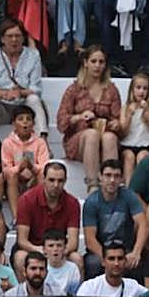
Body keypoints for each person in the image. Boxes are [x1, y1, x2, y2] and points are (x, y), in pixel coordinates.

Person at [55, 47, 121, 193]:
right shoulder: (74, 89)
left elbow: (118, 119)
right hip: (78, 140)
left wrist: (116, 124)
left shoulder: (111, 89)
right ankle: (93, 185)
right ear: (85, 63)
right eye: (94, 61)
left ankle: (111, 183)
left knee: (110, 137)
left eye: (101, 62)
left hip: (105, 137)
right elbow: (61, 122)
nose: (97, 65)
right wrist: (78, 117)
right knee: (92, 134)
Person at [11, 160, 80, 278]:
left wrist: (57, 252)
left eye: (60, 181)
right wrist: (40, 250)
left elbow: (73, 243)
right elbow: (22, 240)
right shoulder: (26, 200)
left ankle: (75, 296)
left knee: (77, 258)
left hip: (59, 249)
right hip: (33, 248)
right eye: (51, 180)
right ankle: (26, 295)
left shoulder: (72, 203)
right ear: (43, 179)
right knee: (20, 257)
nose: (56, 185)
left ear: (65, 181)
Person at [81, 160, 147, 279]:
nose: (112, 180)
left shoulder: (129, 196)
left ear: (122, 179)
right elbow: (90, 239)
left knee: (137, 263)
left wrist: (136, 252)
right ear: (100, 177)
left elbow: (143, 224)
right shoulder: (91, 202)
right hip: (101, 251)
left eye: (116, 176)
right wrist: (109, 259)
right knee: (93, 264)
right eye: (108, 175)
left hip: (126, 249)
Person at [0, 18, 46, 136]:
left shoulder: (33, 55)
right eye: (10, 36)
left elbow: (36, 89)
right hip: (2, 107)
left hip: (24, 108)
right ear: (2, 39)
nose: (14, 40)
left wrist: (20, 93)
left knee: (34, 99)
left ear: (23, 38)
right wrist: (6, 94)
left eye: (18, 36)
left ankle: (42, 141)